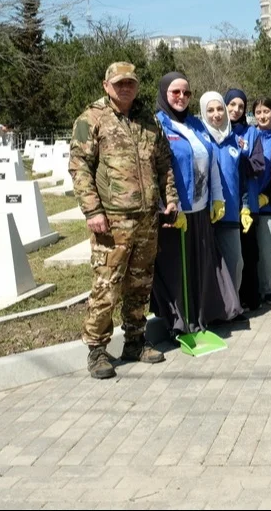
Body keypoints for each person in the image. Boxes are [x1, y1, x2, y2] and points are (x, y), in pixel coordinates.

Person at [69, 61, 179, 379]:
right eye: (119, 83)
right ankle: (97, 351)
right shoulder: (90, 119)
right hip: (112, 220)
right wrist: (92, 211)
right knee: (107, 285)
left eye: (130, 83)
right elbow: (79, 167)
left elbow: (164, 163)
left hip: (147, 218)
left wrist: (169, 199)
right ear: (106, 86)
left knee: (139, 284)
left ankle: (135, 341)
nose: (125, 88)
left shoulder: (148, 121)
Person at [151, 72, 242, 335]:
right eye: (175, 92)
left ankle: (202, 316)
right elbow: (154, 169)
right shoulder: (158, 125)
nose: (181, 97)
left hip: (200, 212)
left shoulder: (195, 124)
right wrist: (165, 207)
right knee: (177, 272)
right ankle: (179, 323)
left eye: (186, 93)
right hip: (175, 214)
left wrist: (217, 199)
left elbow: (211, 160)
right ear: (164, 93)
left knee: (200, 270)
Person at [200, 91, 252, 306]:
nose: (216, 114)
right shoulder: (200, 140)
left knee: (235, 263)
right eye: (210, 110)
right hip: (204, 215)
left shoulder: (235, 142)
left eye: (220, 109)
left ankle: (232, 307)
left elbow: (241, 180)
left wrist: (245, 206)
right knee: (207, 266)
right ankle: (212, 310)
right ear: (203, 112)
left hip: (230, 213)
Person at [225, 88, 266, 311]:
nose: (236, 109)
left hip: (248, 206)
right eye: (232, 105)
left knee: (249, 254)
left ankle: (251, 297)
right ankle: (231, 300)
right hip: (225, 205)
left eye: (240, 106)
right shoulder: (218, 131)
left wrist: (239, 161)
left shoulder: (252, 134)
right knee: (230, 256)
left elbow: (259, 165)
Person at [248, 97, 271, 303]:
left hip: (268, 204)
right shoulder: (248, 136)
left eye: (266, 112)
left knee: (269, 248)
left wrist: (268, 195)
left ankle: (268, 289)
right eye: (258, 112)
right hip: (247, 204)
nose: (262, 116)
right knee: (250, 252)